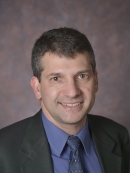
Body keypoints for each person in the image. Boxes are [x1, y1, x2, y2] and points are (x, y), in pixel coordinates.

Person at [0, 27, 129, 173]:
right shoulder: (3, 150)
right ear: (37, 88)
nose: (72, 92)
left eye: (82, 76)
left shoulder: (118, 136)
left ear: (95, 81)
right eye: (56, 78)